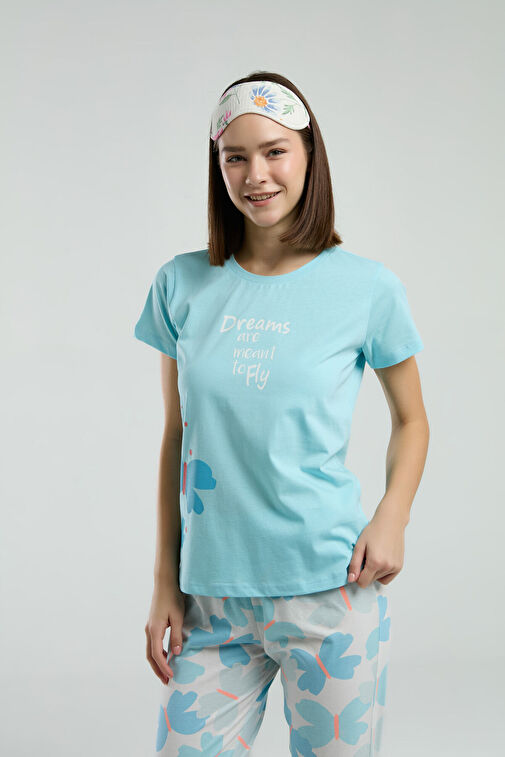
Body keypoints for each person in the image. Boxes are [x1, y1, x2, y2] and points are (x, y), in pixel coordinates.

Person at [134, 71, 429, 756]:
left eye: (274, 151)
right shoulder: (181, 283)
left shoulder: (366, 288)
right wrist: (164, 582)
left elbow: (412, 419)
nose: (255, 175)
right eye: (234, 157)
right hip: (210, 600)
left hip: (330, 589)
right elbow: (177, 435)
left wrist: (392, 516)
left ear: (308, 155)